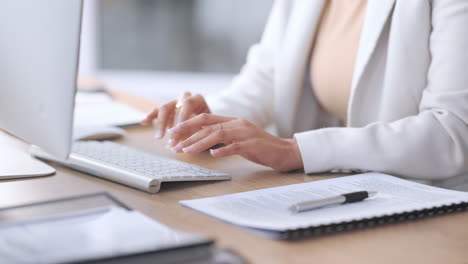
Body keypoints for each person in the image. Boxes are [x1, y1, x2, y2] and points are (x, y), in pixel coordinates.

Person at [141, 0, 468, 180]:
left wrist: (295, 150)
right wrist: (210, 120)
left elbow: (453, 131)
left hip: (435, 208)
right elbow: (266, 80)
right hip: (341, 194)